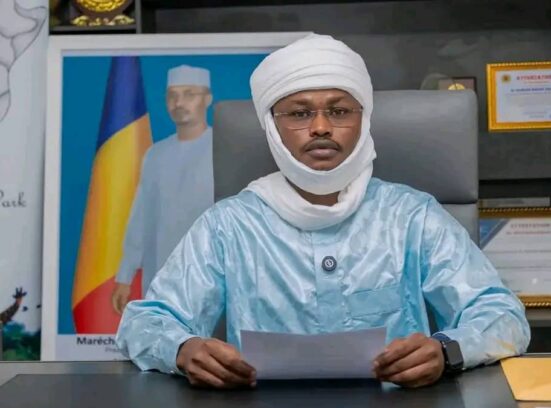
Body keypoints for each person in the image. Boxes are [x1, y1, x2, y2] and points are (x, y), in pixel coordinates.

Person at [116, 34, 530, 389]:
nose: (320, 127)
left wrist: (447, 350)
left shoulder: (411, 216)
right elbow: (143, 323)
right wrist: (184, 349)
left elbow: (503, 316)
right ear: (272, 126)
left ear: (363, 120)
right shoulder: (229, 225)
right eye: (299, 113)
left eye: (339, 111)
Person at [111, 65, 214, 314]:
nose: (179, 103)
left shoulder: (222, 146)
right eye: (172, 96)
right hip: (160, 275)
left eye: (189, 94)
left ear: (207, 99)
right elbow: (141, 217)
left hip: (211, 274)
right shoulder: (156, 155)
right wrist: (125, 276)